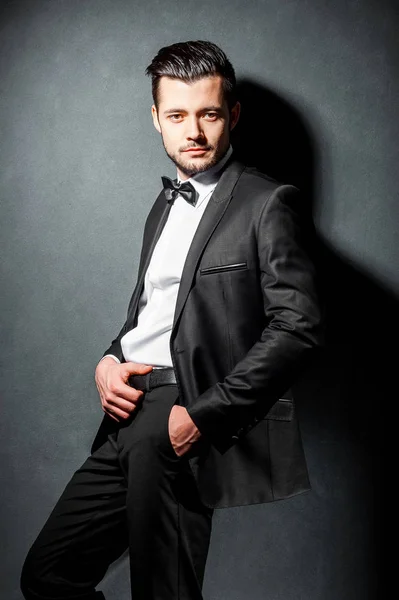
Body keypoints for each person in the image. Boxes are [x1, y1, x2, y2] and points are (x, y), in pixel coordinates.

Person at [20, 40, 323, 600]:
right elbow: (154, 313)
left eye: (208, 114)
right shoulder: (163, 204)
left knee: (163, 591)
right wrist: (109, 360)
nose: (194, 133)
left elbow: (297, 328)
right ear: (156, 118)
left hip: (182, 415)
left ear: (231, 115)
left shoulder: (267, 202)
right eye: (178, 115)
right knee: (48, 574)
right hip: (125, 412)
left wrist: (202, 417)